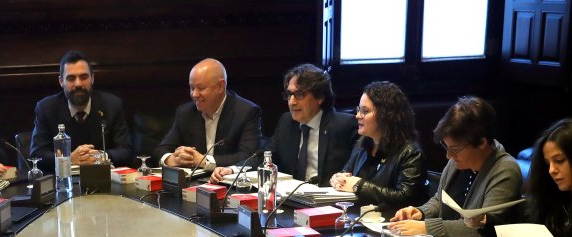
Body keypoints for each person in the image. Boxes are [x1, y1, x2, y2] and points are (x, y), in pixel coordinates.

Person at [388, 96, 522, 237]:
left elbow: (483, 228)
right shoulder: (457, 161)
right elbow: (440, 200)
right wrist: (421, 212)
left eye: (455, 149)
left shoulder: (505, 170)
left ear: (482, 143)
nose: (448, 155)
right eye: (446, 147)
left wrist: (426, 227)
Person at [212, 64, 356, 186]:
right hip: (293, 200)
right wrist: (232, 170)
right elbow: (265, 157)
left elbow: (355, 170)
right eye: (289, 94)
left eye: (299, 94)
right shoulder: (287, 123)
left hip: (330, 204)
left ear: (320, 97)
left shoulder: (343, 126)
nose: (292, 102)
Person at [327, 81, 425, 213]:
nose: (357, 116)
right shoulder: (362, 143)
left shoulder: (410, 152)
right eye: (358, 109)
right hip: (358, 217)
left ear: (386, 115)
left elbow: (405, 198)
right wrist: (337, 179)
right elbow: (347, 174)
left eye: (365, 111)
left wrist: (359, 186)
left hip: (390, 223)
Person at [29, 51, 132, 173]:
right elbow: (37, 154)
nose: (78, 84)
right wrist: (68, 159)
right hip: (63, 183)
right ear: (61, 81)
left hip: (103, 179)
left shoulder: (112, 105)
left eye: (83, 77)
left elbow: (126, 150)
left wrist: (101, 156)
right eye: (71, 78)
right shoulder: (47, 108)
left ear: (92, 78)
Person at [155, 58, 261, 171]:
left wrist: (205, 161)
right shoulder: (185, 113)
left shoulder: (246, 112)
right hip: (194, 184)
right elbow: (161, 149)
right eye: (192, 88)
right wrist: (172, 159)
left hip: (228, 183)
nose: (194, 94)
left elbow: (249, 157)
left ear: (221, 86)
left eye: (201, 88)